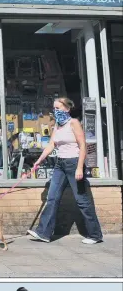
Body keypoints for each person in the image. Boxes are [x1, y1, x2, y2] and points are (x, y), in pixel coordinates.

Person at [27, 97, 103, 244]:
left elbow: (83, 146)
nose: (56, 111)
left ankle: (95, 235)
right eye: (54, 109)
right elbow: (51, 145)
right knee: (52, 198)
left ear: (67, 109)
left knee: (82, 201)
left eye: (58, 109)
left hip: (74, 163)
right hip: (59, 165)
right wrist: (39, 160)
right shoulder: (57, 125)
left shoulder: (73, 123)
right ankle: (43, 233)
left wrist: (80, 167)